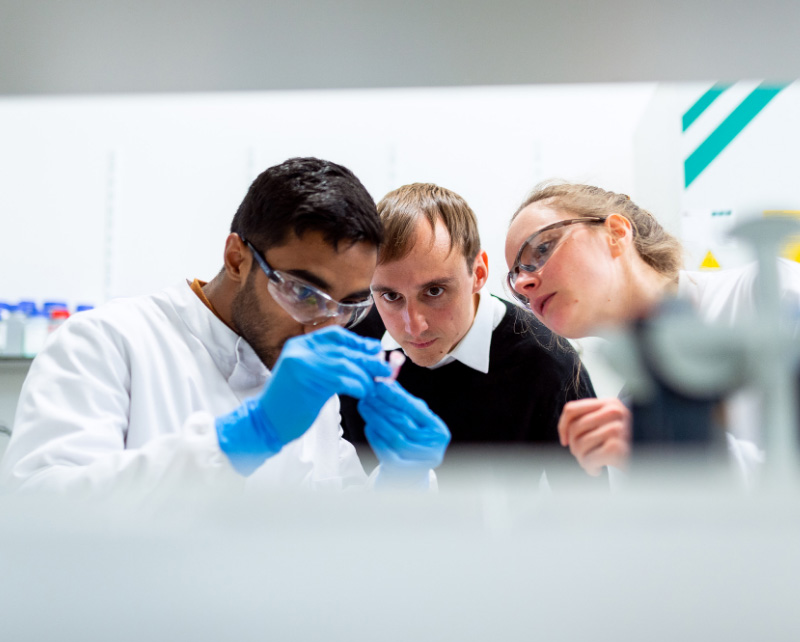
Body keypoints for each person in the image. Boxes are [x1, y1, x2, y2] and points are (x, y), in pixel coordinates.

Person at [0, 157, 450, 497]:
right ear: (236, 258)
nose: (323, 329)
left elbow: (331, 538)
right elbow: (42, 510)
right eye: (304, 294)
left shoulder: (313, 390)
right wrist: (243, 439)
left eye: (348, 306)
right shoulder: (106, 343)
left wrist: (402, 481)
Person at [504, 180, 800, 478]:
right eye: (514, 279)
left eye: (541, 249)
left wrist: (675, 444)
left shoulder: (769, 294)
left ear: (616, 233)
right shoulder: (632, 413)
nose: (522, 284)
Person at [340, 182, 598, 486]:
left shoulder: (551, 365)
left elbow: (588, 519)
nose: (413, 326)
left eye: (434, 291)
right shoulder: (352, 349)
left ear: (478, 273)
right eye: (391, 297)